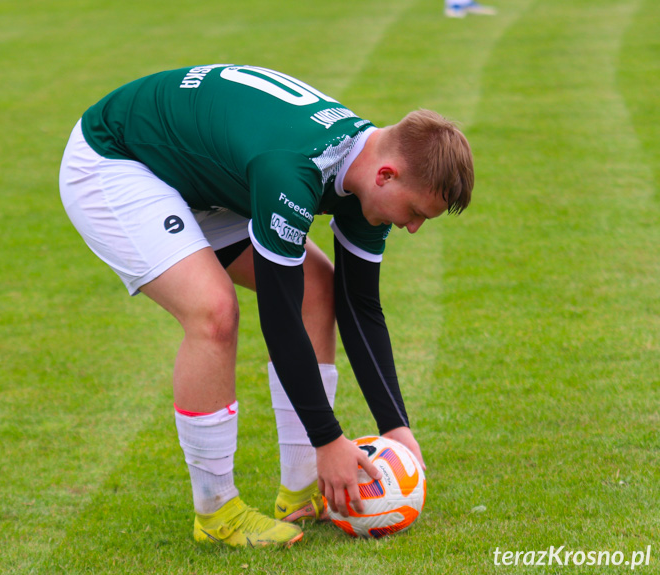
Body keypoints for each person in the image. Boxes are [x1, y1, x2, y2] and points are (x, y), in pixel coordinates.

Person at [59, 64, 474, 547]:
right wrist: (328, 438)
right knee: (213, 312)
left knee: (318, 286)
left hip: (204, 178)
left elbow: (359, 305)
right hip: (117, 159)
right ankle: (217, 514)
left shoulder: (368, 179)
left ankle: (301, 493)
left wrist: (395, 426)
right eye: (417, 213)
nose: (414, 227)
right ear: (387, 174)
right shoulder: (293, 170)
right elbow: (279, 316)